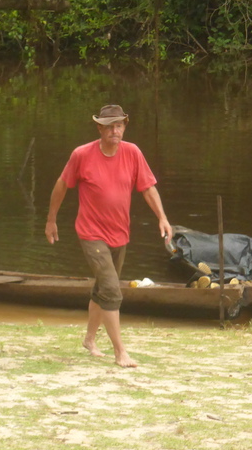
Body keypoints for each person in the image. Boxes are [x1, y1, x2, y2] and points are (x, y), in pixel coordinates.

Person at [45, 104, 173, 368]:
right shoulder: (82, 154)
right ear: (99, 128)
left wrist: (162, 217)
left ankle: (89, 340)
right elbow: (61, 184)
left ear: (124, 127)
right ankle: (120, 352)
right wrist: (51, 220)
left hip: (119, 233)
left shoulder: (132, 152)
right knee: (113, 290)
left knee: (102, 289)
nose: (115, 130)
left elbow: (148, 188)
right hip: (90, 233)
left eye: (120, 125)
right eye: (110, 126)